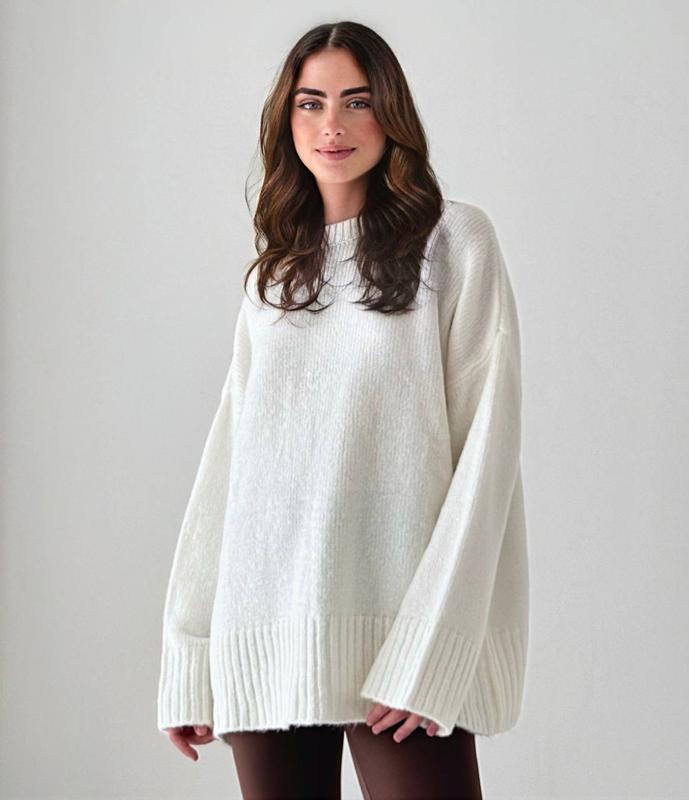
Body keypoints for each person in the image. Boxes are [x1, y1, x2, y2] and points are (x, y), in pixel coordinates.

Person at [157, 19, 529, 800]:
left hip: (397, 631)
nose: (332, 125)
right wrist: (190, 653)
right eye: (311, 103)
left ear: (391, 116)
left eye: (357, 102)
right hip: (263, 626)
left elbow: (485, 457)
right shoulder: (276, 275)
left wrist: (430, 648)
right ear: (285, 119)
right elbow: (230, 464)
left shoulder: (453, 241)